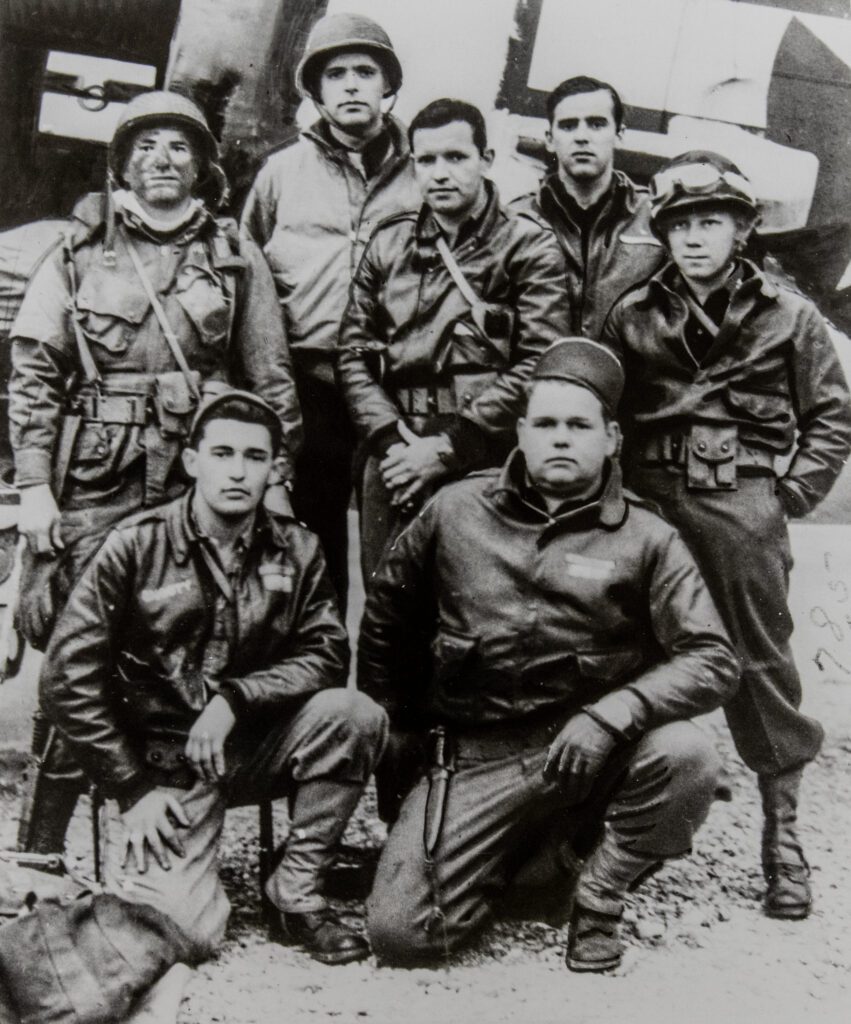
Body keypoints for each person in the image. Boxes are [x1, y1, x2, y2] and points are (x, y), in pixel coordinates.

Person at [359, 339, 739, 971]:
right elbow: (387, 619)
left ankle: (599, 894)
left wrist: (612, 713)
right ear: (521, 432)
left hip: (589, 751)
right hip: (474, 754)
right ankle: (541, 866)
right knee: (403, 936)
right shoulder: (454, 509)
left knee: (688, 754)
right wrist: (394, 733)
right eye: (547, 424)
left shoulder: (647, 537)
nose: (561, 439)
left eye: (579, 426)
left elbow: (712, 657)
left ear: (612, 438)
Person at [9, 89, 301, 856]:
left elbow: (269, 381)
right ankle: (41, 842)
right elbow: (36, 370)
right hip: (98, 475)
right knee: (82, 636)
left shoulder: (235, 255)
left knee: (189, 634)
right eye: (144, 147)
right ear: (121, 162)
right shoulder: (77, 252)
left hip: (198, 475)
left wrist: (276, 484)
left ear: (204, 165)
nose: (161, 160)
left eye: (178, 147)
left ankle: (172, 825)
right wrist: (35, 484)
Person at [40, 391, 388, 972]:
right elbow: (64, 679)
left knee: (354, 715)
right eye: (221, 453)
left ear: (276, 468)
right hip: (165, 766)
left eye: (254, 457)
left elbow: (327, 651)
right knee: (183, 936)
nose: (237, 470)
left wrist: (236, 699)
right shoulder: (135, 545)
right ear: (191, 461)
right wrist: (131, 789)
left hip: (252, 744)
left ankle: (295, 893)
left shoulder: (297, 548)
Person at [602, 151, 851, 921]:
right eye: (679, 224)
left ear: (742, 229)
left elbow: (831, 416)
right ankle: (608, 835)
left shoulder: (788, 313)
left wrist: (786, 496)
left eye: (710, 221)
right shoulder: (632, 312)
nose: (694, 238)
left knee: (759, 664)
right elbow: (603, 405)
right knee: (625, 651)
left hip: (741, 505)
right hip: (647, 501)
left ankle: (781, 841)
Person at [338, 98, 570, 580]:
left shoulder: (527, 244)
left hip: (482, 454)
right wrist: (389, 439)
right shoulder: (388, 242)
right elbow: (353, 353)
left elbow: (540, 363)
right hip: (394, 453)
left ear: (486, 160)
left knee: (473, 611)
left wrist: (448, 447)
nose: (440, 173)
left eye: (456, 157)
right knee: (387, 610)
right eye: (427, 160)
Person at [241, 12, 418, 610]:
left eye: (365, 72)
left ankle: (386, 694)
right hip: (308, 390)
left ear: (387, 86)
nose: (350, 85)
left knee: (398, 555)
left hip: (393, 392)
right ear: (315, 91)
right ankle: (314, 684)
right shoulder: (280, 175)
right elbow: (250, 283)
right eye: (334, 74)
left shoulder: (424, 177)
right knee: (310, 554)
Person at [512, 76, 665, 339]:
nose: (582, 137)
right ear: (549, 139)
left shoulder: (655, 218)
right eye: (568, 126)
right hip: (538, 376)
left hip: (628, 378)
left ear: (619, 135)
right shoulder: (516, 220)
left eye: (596, 124)